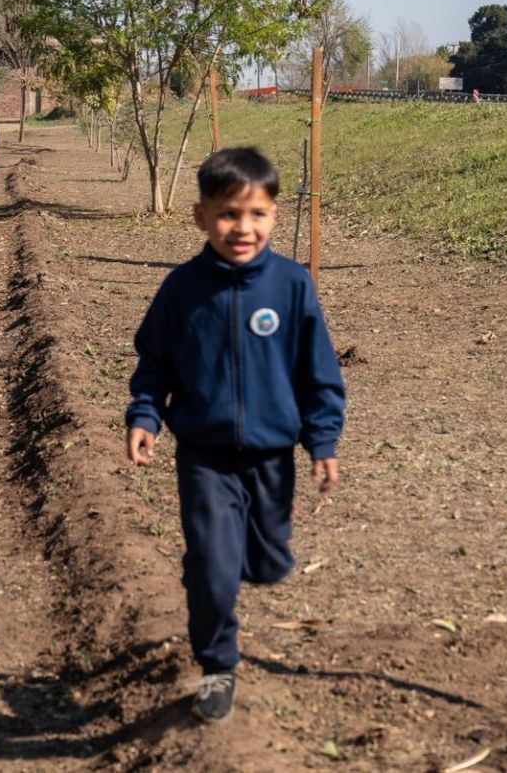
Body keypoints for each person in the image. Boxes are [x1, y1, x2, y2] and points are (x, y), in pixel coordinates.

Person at [124, 147, 345, 723]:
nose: (242, 228)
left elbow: (319, 373)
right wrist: (145, 417)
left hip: (274, 455)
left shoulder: (293, 286)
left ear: (274, 215)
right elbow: (154, 365)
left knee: (270, 564)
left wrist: (322, 442)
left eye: (257, 215)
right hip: (204, 455)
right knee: (215, 569)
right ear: (200, 216)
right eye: (227, 214)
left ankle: (215, 567)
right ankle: (217, 665)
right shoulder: (180, 290)